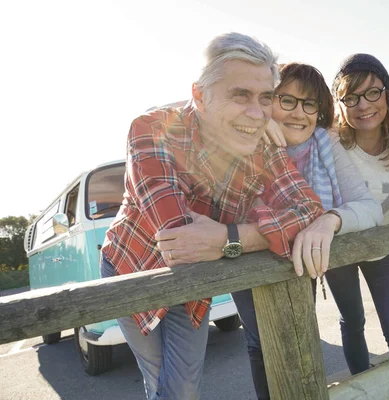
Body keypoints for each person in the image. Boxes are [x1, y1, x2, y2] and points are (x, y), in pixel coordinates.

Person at [100, 32, 324, 400]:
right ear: (201, 96)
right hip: (132, 263)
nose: (256, 112)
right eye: (240, 95)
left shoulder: (259, 143)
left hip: (195, 279)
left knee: (183, 388)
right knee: (157, 379)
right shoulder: (152, 129)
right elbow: (179, 238)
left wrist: (231, 238)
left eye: (265, 98)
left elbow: (307, 209)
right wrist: (257, 231)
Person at [232, 62, 384, 400]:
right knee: (259, 344)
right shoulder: (241, 140)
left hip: (299, 267)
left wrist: (329, 220)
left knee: (300, 338)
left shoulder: (325, 145)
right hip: (248, 265)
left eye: (309, 103)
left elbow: (369, 206)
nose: (299, 113)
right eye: (287, 100)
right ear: (268, 101)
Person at [331, 54, 389, 400]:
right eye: (350, 97)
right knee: (353, 322)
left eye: (372, 93)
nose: (363, 105)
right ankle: (364, 392)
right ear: (339, 102)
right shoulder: (329, 141)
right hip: (339, 252)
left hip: (385, 248)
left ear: (386, 93)